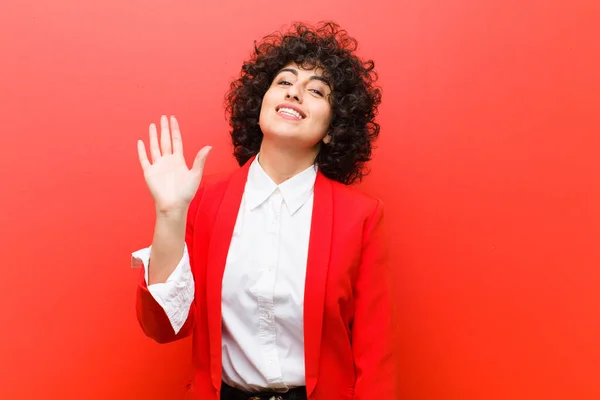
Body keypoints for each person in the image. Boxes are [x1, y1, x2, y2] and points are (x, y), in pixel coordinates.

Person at [132, 21, 399, 400]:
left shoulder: (362, 216)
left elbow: (376, 357)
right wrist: (170, 214)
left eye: (316, 91)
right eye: (284, 82)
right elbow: (164, 329)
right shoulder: (204, 201)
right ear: (261, 103)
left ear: (332, 128)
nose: (295, 94)